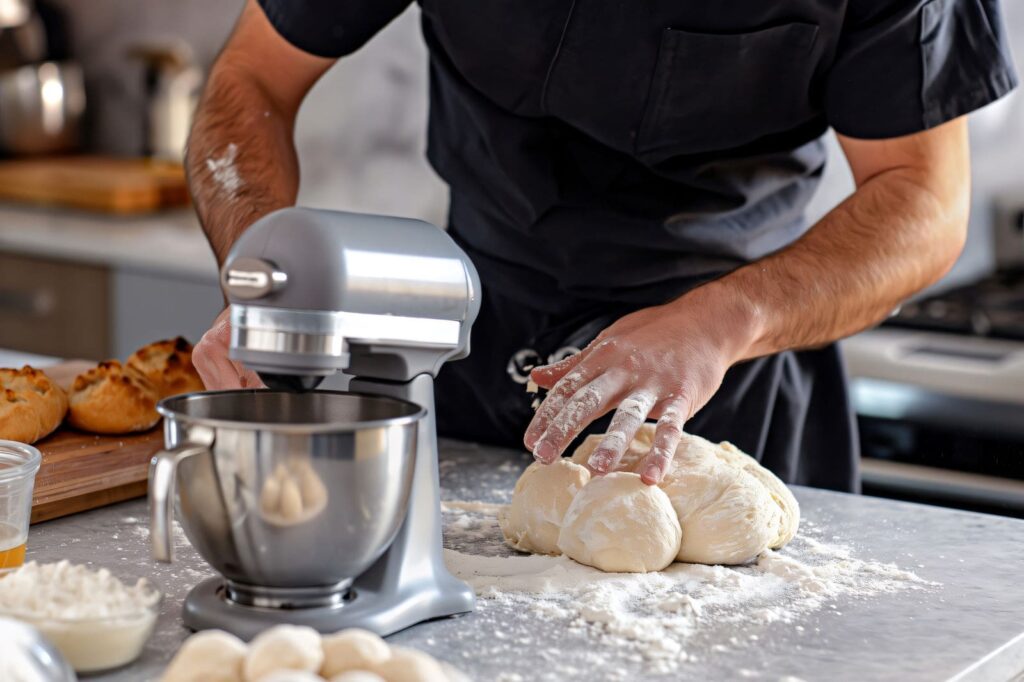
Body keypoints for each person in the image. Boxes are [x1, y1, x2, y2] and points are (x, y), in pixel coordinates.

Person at [189, 0, 1017, 491]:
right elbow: (250, 80)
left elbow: (924, 197)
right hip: (470, 351)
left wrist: (724, 319)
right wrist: (265, 272)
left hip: (734, 367)